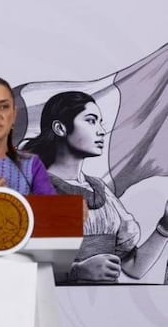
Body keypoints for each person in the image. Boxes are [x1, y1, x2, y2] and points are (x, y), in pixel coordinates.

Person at [21, 90, 168, 282]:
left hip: (105, 306)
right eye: (91, 120)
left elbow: (134, 268)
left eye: (100, 122)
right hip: (59, 306)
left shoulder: (100, 189)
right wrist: (76, 271)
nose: (100, 130)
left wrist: (164, 227)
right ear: (60, 128)